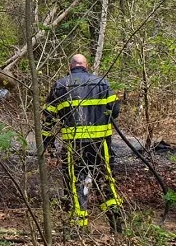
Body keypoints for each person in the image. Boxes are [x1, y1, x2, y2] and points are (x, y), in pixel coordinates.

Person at [43, 54, 123, 233]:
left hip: (74, 146)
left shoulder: (61, 85)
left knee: (74, 182)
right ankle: (116, 223)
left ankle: (78, 228)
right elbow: (115, 112)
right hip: (101, 145)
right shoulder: (102, 83)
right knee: (106, 180)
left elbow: (48, 118)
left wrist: (47, 143)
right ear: (86, 66)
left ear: (69, 67)